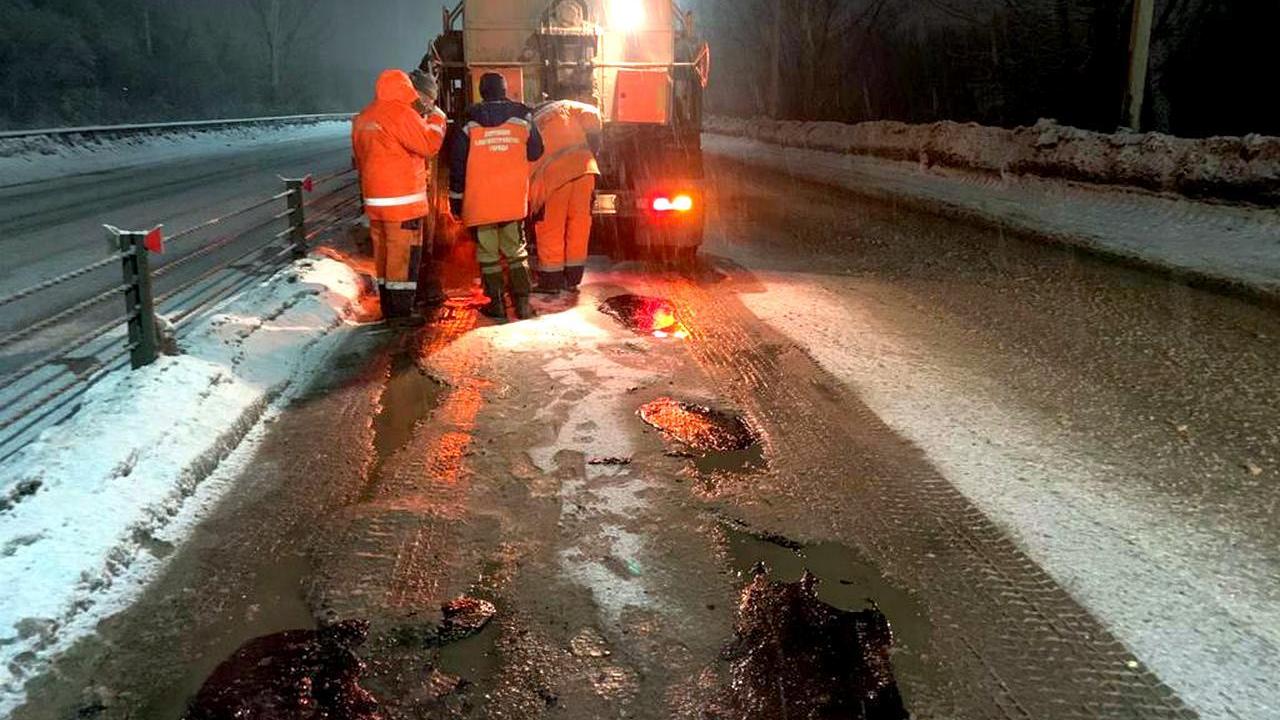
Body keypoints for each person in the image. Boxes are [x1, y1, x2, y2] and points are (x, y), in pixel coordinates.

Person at [351, 68, 447, 323]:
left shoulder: (363, 117)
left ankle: (389, 308)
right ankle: (402, 313)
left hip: (375, 202)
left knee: (383, 256)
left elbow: (359, 159)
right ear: (408, 89)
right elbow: (429, 145)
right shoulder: (402, 113)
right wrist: (437, 120)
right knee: (402, 258)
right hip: (403, 202)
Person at [449, 72, 545, 321]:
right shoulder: (522, 118)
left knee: (488, 254)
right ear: (504, 90)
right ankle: (522, 303)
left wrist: (456, 198)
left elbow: (457, 163)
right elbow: (536, 152)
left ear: (482, 92)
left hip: (481, 200)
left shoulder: (468, 121)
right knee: (516, 251)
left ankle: (498, 305)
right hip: (512, 198)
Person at [529, 94, 603, 294]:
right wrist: (594, 147)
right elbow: (594, 117)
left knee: (551, 227)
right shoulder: (568, 107)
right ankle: (572, 278)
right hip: (584, 171)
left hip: (554, 178)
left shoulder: (531, 121)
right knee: (578, 224)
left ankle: (551, 281)